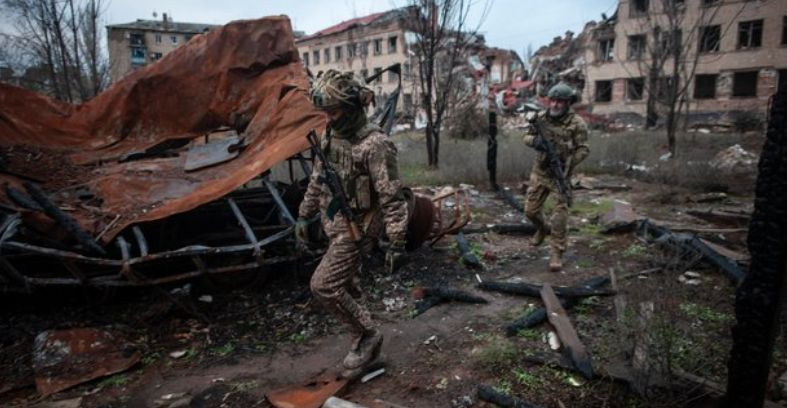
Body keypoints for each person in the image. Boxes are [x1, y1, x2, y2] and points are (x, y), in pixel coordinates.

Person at [295, 70, 409, 373]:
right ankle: (366, 348)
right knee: (349, 285)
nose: (328, 118)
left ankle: (369, 335)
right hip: (335, 223)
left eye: (333, 112)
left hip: (359, 227)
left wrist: (397, 241)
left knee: (323, 286)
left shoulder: (375, 145)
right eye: (325, 112)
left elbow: (392, 197)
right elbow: (318, 178)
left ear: (353, 106)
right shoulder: (331, 135)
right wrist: (304, 215)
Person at [523, 82, 590, 272]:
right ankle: (542, 229)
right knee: (530, 211)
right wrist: (535, 142)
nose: (554, 105)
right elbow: (526, 136)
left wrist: (568, 161)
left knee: (559, 216)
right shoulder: (542, 118)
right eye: (552, 100)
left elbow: (584, 149)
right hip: (540, 172)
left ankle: (556, 252)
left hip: (560, 176)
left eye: (560, 101)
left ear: (568, 103)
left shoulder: (577, 124)